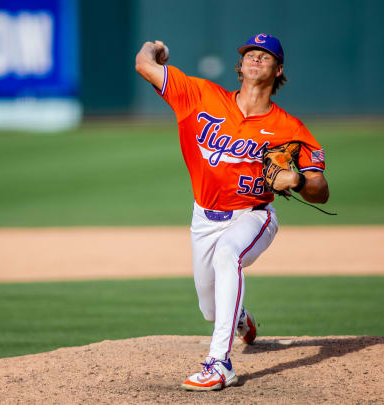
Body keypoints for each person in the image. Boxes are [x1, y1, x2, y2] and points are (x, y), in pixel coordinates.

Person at [135, 33, 330, 391]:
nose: (256, 58)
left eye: (266, 55)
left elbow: (322, 190)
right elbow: (144, 64)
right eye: (250, 54)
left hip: (253, 216)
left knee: (228, 255)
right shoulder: (200, 96)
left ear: (279, 70)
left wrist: (298, 180)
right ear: (240, 67)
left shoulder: (290, 128)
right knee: (210, 310)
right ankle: (239, 318)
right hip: (204, 217)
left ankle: (220, 364)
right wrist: (155, 48)